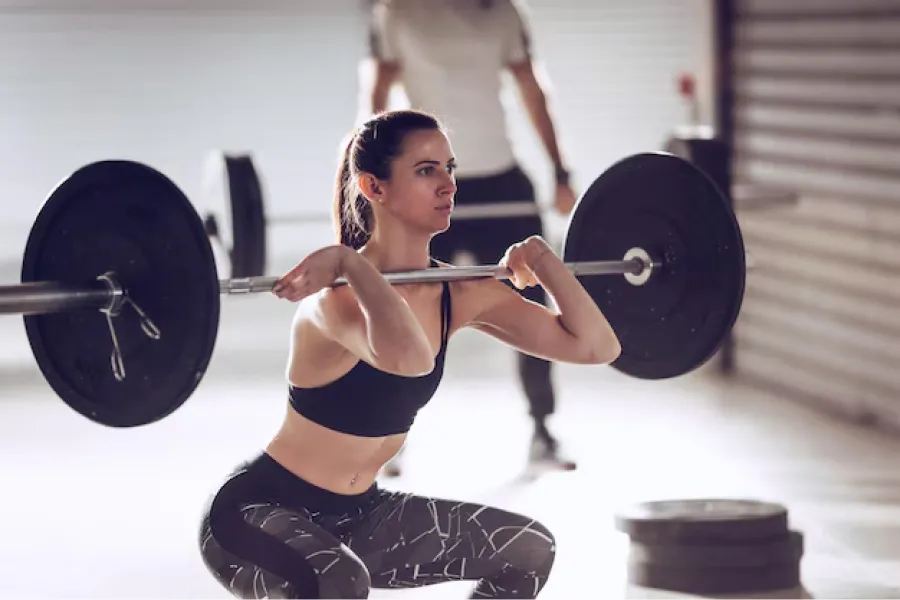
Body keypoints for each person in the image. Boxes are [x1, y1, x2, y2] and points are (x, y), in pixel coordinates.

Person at [198, 109, 621, 599]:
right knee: (340, 582)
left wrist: (544, 259)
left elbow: (597, 346)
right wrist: (347, 263)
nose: (448, 186)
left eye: (449, 168)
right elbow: (408, 360)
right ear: (373, 188)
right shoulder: (333, 301)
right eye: (426, 171)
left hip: (360, 515)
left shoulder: (458, 292)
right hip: (259, 515)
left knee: (526, 548)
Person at [362, 0, 581, 475]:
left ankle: (542, 431)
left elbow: (530, 89)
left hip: (499, 178)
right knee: (403, 311)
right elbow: (378, 98)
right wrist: (376, 182)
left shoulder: (501, 11)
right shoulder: (397, 12)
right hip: (424, 183)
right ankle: (388, 437)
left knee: (535, 307)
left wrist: (560, 171)